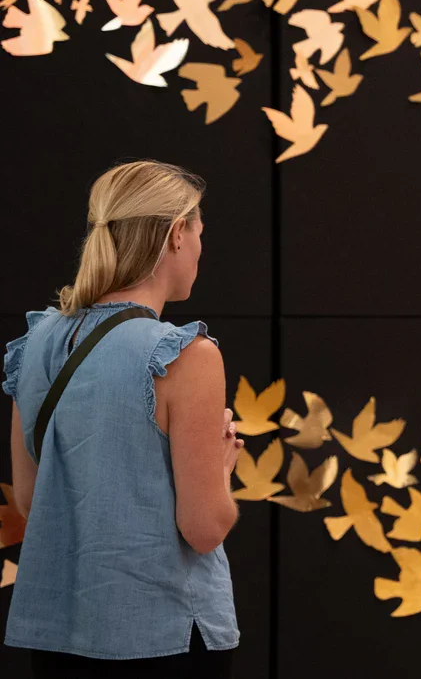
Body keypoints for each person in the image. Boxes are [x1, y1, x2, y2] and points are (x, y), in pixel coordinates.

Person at [3, 161, 242, 678]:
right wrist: (222, 470)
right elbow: (203, 529)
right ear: (177, 234)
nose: (201, 248)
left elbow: (28, 500)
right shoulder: (186, 355)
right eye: (200, 232)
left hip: (58, 636)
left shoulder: (35, 344)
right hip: (164, 636)